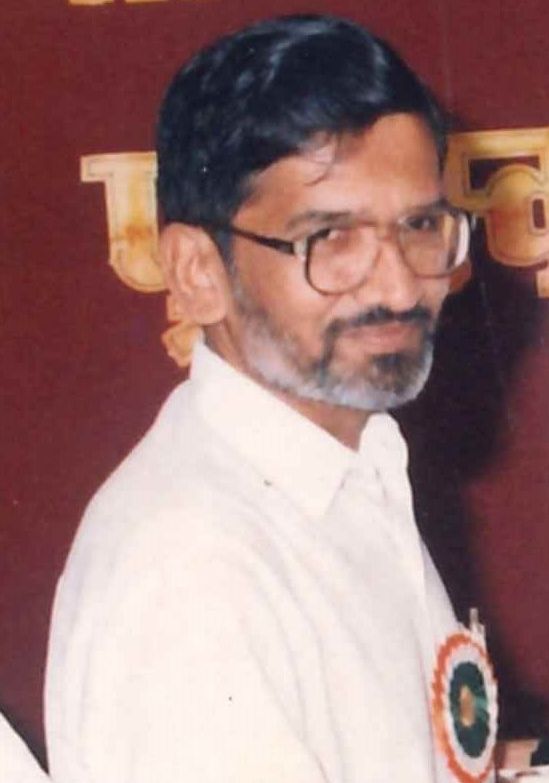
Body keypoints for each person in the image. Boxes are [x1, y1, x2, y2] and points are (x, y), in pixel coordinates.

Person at [45, 14, 474, 783]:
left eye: (418, 225)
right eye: (329, 238)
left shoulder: (345, 470)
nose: (399, 285)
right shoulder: (191, 570)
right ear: (197, 271)